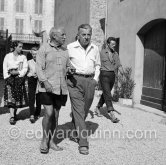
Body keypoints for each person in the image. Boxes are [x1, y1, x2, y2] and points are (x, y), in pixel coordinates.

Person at [36, 26, 72, 154]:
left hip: (61, 88)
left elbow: (68, 66)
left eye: (65, 34)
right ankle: (44, 141)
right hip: (46, 88)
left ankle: (51, 141)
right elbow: (39, 68)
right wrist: (45, 82)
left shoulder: (65, 51)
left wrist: (70, 69)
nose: (65, 37)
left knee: (56, 116)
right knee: (49, 113)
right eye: (62, 34)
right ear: (54, 36)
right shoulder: (43, 49)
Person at [67, 24, 100, 155]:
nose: (86, 37)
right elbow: (65, 63)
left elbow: (98, 65)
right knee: (79, 111)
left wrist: (95, 80)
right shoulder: (70, 48)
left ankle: (75, 129)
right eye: (84, 34)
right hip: (74, 81)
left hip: (90, 81)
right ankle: (83, 143)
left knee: (85, 108)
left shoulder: (95, 48)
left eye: (88, 34)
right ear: (78, 35)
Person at [94, 37, 124, 123]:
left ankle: (97, 107)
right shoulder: (101, 53)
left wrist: (123, 74)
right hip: (104, 74)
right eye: (112, 44)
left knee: (106, 93)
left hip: (112, 75)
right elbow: (96, 64)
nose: (114, 46)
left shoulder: (116, 54)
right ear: (108, 44)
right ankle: (112, 114)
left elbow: (119, 65)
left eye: (115, 44)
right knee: (108, 94)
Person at [3, 41, 28, 125]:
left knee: (17, 96)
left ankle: (14, 113)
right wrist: (7, 77)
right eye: (20, 46)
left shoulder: (23, 57)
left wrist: (18, 73)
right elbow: (4, 67)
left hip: (19, 79)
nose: (21, 48)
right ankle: (12, 116)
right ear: (15, 47)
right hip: (9, 79)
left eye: (22, 46)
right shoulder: (8, 56)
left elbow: (25, 68)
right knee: (10, 96)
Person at [27, 47, 41, 123]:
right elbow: (24, 71)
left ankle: (37, 113)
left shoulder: (41, 62)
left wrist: (38, 74)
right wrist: (31, 74)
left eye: (36, 54)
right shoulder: (28, 62)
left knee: (39, 98)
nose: (35, 55)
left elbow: (44, 71)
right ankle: (31, 114)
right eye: (33, 54)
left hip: (39, 80)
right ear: (31, 54)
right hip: (31, 80)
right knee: (31, 97)